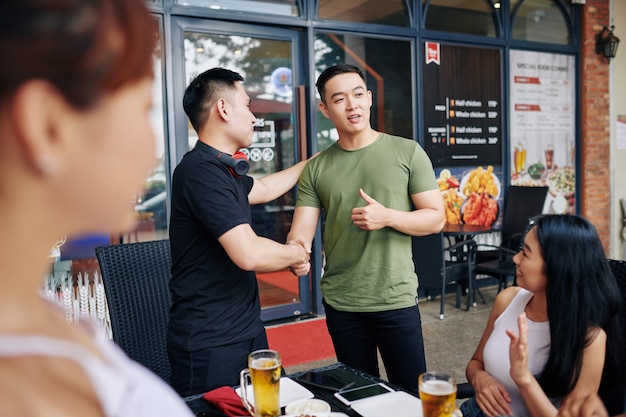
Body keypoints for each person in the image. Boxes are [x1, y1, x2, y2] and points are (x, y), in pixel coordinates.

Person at [0, 1, 194, 416]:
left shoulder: (39, 317)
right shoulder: (28, 395)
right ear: (47, 125)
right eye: (143, 109)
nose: (154, 150)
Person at [285, 64, 445, 394]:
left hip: (395, 298)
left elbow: (435, 218)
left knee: (411, 397)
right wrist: (296, 252)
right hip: (343, 303)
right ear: (324, 109)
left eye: (358, 95)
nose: (352, 105)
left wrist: (388, 217)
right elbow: (301, 231)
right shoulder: (316, 168)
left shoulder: (407, 152)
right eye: (340, 99)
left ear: (369, 99)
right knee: (359, 396)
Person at [167, 67, 312, 396]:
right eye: (247, 106)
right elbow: (249, 253)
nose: (254, 117)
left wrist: (312, 164)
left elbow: (261, 188)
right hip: (210, 342)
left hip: (244, 329)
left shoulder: (221, 169)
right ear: (223, 108)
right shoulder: (200, 172)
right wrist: (296, 254)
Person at [462, 214, 622, 417]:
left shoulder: (590, 338)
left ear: (558, 267)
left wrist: (523, 378)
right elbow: (475, 363)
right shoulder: (508, 299)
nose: (515, 258)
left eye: (526, 254)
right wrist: (479, 379)